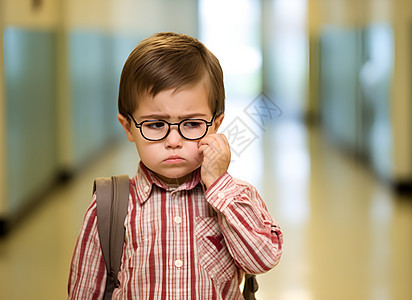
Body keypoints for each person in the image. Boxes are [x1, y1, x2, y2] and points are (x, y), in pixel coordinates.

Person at [67, 32, 283, 299]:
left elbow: (261, 260)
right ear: (128, 127)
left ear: (215, 125)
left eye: (192, 124)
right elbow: (86, 292)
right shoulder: (110, 207)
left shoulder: (236, 197)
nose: (173, 141)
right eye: (156, 124)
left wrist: (219, 186)